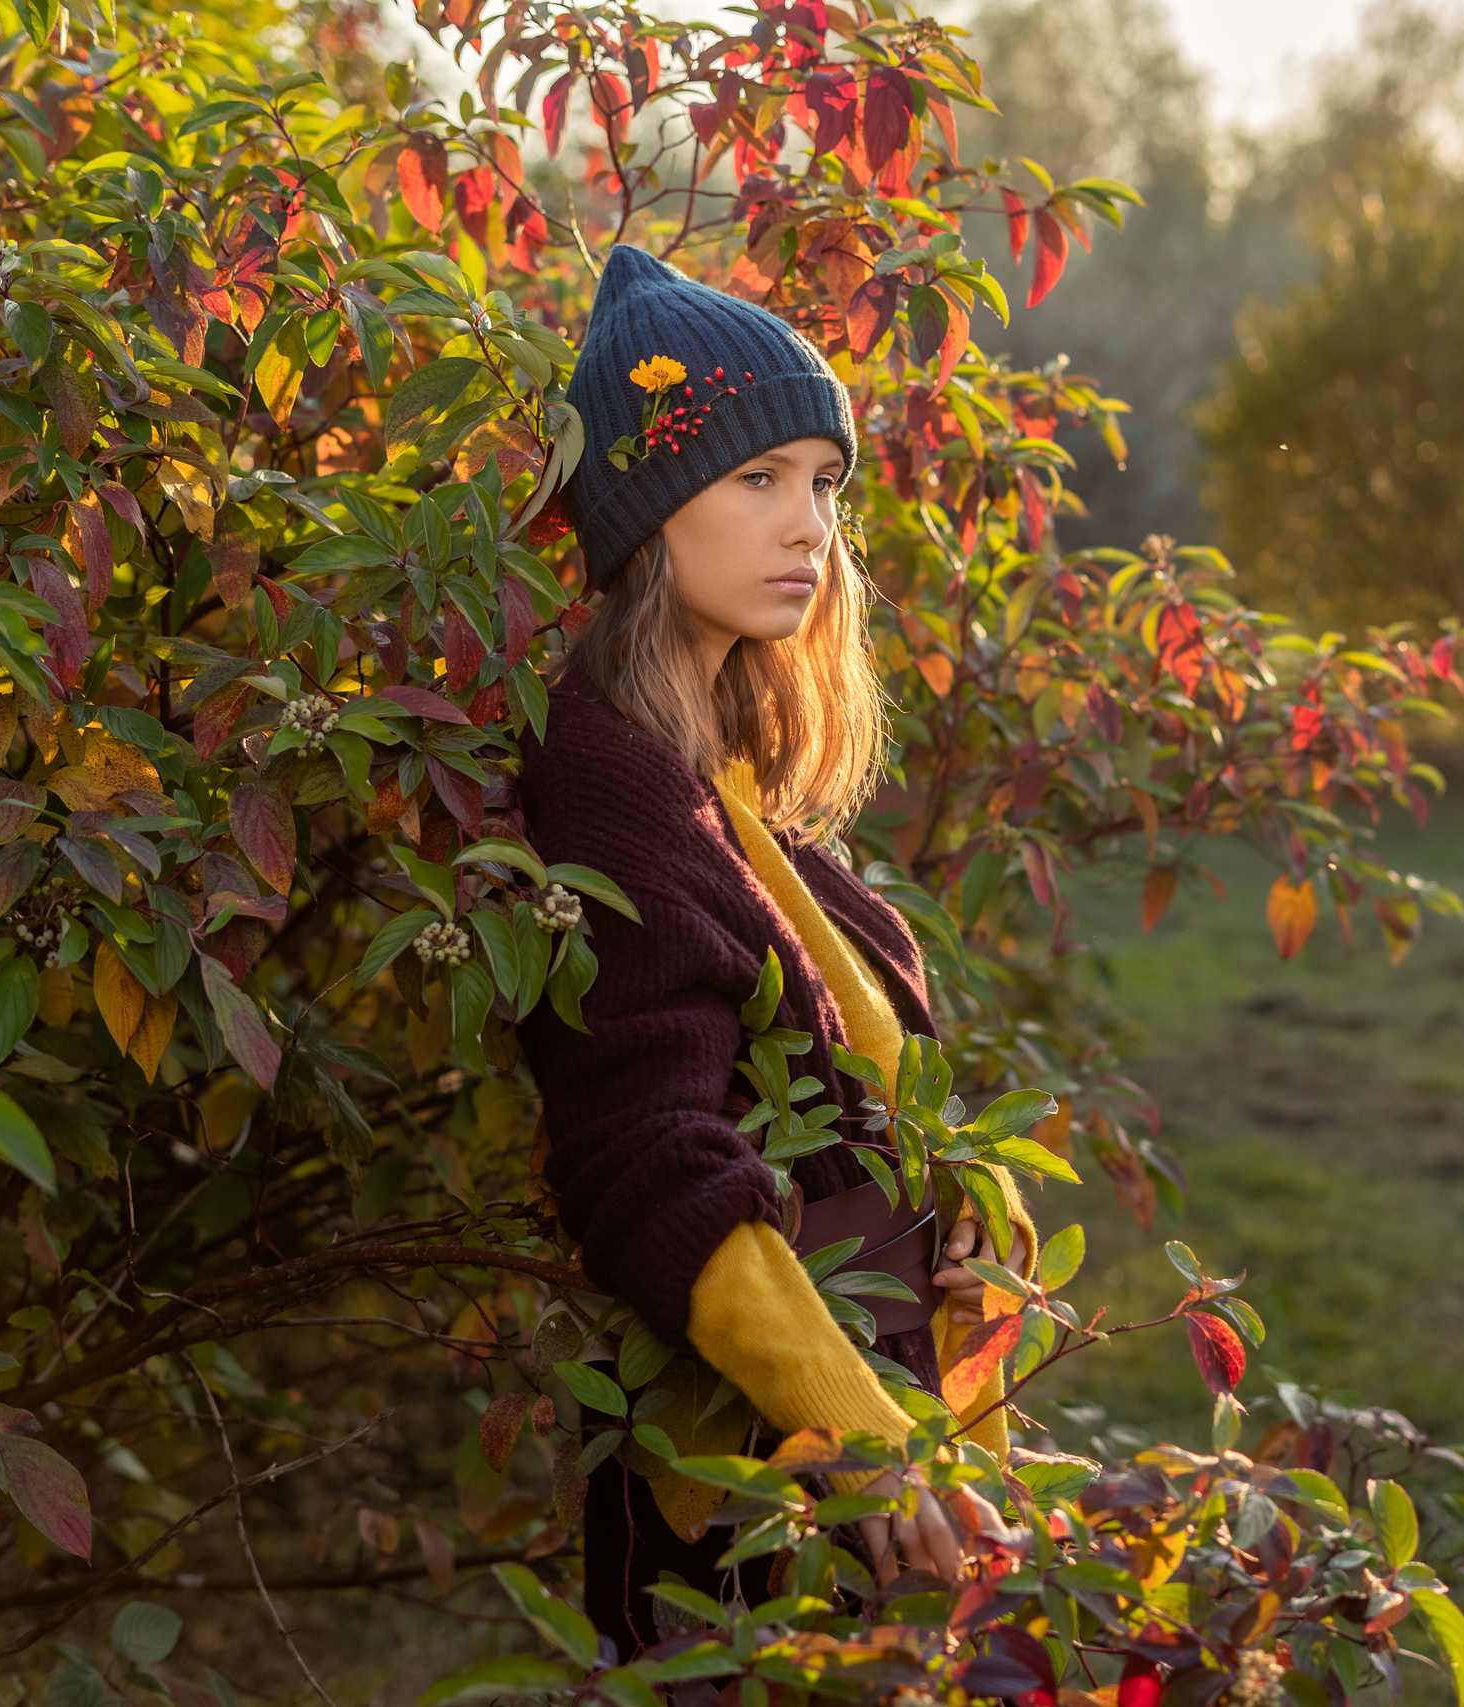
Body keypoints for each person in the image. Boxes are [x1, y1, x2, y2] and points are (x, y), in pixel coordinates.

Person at [516, 247, 1036, 1656]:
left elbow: (852, 1077)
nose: (808, 523)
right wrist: (868, 1443)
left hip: (874, 1441)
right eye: (758, 480)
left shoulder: (718, 779)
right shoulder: (610, 780)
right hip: (766, 1494)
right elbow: (650, 1166)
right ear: (640, 510)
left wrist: (971, 1206)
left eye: (823, 481)